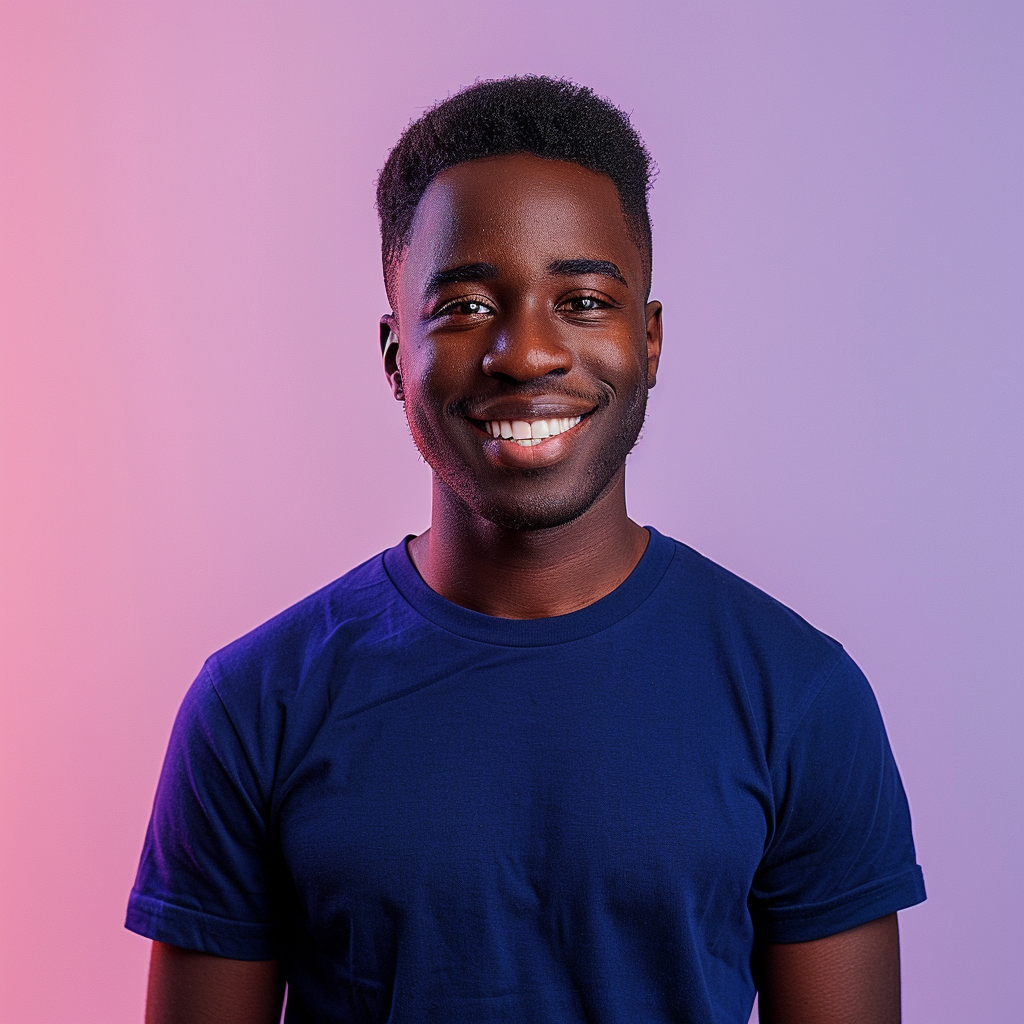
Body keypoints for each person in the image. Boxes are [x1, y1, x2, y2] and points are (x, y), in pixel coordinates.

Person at [127, 76, 925, 1024]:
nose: (527, 352)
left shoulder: (800, 697)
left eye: (583, 300)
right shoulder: (255, 705)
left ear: (651, 339)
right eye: (463, 306)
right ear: (395, 358)